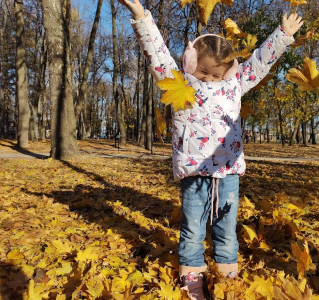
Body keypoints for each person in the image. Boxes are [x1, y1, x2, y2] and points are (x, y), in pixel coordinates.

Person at [117, 1, 303, 298]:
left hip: (228, 173)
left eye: (218, 74)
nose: (210, 80)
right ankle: (192, 277)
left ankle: (227, 276)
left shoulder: (234, 86)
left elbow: (260, 62)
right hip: (194, 174)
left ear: (229, 70)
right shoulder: (179, 82)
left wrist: (283, 34)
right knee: (192, 229)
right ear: (191, 65)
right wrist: (141, 17)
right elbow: (156, 53)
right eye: (204, 73)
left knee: (226, 229)